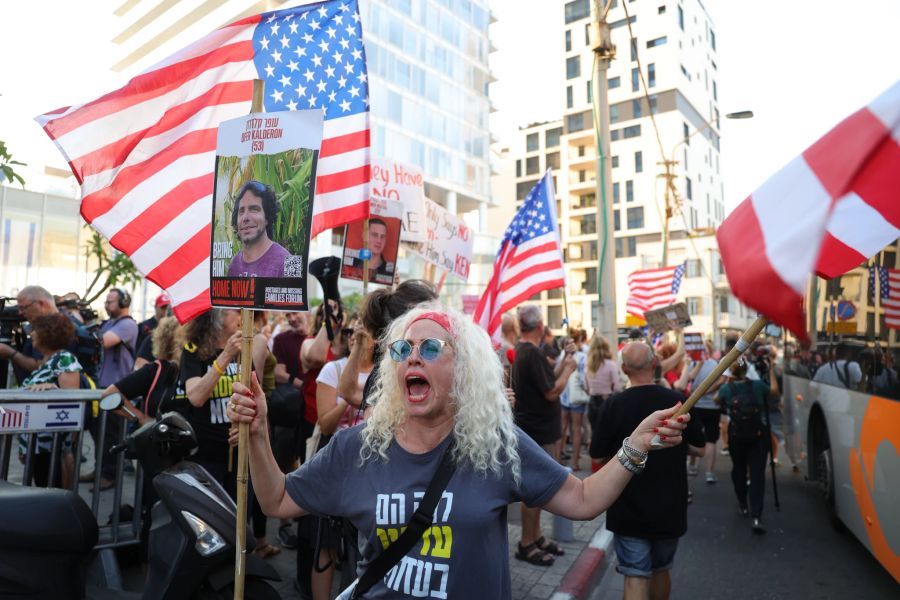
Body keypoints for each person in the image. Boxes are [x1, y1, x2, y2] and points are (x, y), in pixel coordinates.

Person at [226, 306, 690, 598]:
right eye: (402, 349)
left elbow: (584, 501)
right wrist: (261, 435)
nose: (412, 356)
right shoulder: (358, 447)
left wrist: (635, 446)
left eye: (430, 347)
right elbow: (276, 501)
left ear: (463, 368)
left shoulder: (496, 445)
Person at [591, 342, 705, 600]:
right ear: (654, 364)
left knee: (635, 574)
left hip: (627, 502)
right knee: (661, 569)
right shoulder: (678, 403)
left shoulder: (614, 405)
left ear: (623, 369)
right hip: (669, 504)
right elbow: (701, 449)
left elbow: (596, 454)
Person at [511, 305, 577, 566]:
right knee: (535, 491)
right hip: (537, 430)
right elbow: (551, 392)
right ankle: (527, 543)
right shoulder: (532, 353)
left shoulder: (528, 352)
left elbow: (547, 380)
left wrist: (564, 359)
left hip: (536, 428)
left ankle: (535, 537)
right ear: (539, 326)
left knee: (539, 490)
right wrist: (570, 369)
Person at [179, 308, 243, 493]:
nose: (242, 316)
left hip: (238, 453)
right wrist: (225, 356)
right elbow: (196, 397)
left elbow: (255, 395)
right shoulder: (193, 349)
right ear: (218, 316)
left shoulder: (244, 350)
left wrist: (245, 425)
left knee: (237, 517)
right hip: (205, 455)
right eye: (237, 311)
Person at [18, 313, 82, 489]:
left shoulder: (64, 358)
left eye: (35, 330)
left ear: (47, 333)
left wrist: (52, 389)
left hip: (51, 446)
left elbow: (72, 400)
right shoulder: (49, 360)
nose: (32, 334)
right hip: (40, 445)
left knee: (50, 493)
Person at [82, 288, 138, 490]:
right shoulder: (109, 323)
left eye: (111, 301)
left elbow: (103, 342)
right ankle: (100, 470)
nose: (107, 305)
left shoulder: (127, 324)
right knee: (99, 433)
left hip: (117, 387)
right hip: (102, 386)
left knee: (111, 434)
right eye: (106, 301)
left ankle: (110, 475)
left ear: (123, 302)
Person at [717, 359, 778, 534]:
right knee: (757, 474)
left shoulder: (727, 389)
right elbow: (774, 392)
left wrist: (728, 380)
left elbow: (716, 400)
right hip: (758, 435)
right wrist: (771, 371)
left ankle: (743, 503)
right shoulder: (758, 386)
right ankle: (756, 514)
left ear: (731, 372)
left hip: (736, 436)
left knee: (739, 469)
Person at [270, 311, 309, 550]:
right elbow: (278, 372)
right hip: (289, 411)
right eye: (288, 314)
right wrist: (303, 384)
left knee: (307, 464)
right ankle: (284, 525)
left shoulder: (319, 336)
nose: (293, 318)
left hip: (312, 413)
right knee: (283, 465)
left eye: (296, 313)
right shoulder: (282, 340)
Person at [227, 181, 290, 278]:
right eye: (241, 211)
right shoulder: (233, 265)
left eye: (254, 209)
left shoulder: (290, 262)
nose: (245, 218)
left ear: (267, 218)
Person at [684, 341, 726, 483]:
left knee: (694, 436)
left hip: (694, 405)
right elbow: (722, 380)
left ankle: (692, 465)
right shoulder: (715, 365)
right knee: (711, 440)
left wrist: (699, 393)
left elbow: (687, 383)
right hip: (712, 407)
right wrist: (709, 391)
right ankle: (709, 472)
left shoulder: (692, 365)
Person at [585, 334, 622, 472]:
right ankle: (609, 470)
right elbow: (617, 387)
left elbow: (587, 387)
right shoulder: (611, 365)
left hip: (592, 404)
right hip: (607, 402)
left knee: (595, 436)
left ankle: (596, 468)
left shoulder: (589, 365)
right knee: (610, 436)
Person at [559, 328, 589, 471]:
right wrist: (587, 390)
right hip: (577, 397)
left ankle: (557, 459)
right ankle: (575, 462)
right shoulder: (582, 357)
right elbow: (584, 378)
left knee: (562, 428)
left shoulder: (562, 355)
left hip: (563, 395)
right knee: (576, 430)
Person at [135, 293, 171, 367]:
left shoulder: (172, 328)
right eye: (163, 307)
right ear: (155, 307)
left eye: (168, 308)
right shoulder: (144, 326)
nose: (165, 311)